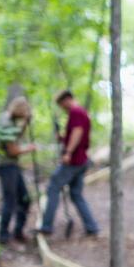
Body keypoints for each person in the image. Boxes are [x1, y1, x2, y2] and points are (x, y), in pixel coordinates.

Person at [38, 90, 99, 237]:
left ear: (67, 99)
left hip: (74, 160)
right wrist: (63, 138)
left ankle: (46, 226)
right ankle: (92, 227)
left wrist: (68, 152)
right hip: (81, 160)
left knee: (53, 187)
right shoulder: (79, 112)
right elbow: (75, 134)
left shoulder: (76, 112)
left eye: (61, 104)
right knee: (76, 194)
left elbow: (78, 133)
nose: (62, 107)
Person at [0, 96, 36, 244]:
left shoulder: (9, 119)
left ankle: (18, 231)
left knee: (24, 199)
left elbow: (15, 137)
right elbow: (12, 150)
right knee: (10, 200)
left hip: (11, 165)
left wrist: (25, 124)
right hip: (6, 165)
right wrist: (28, 149)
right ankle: (3, 235)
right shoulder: (6, 123)